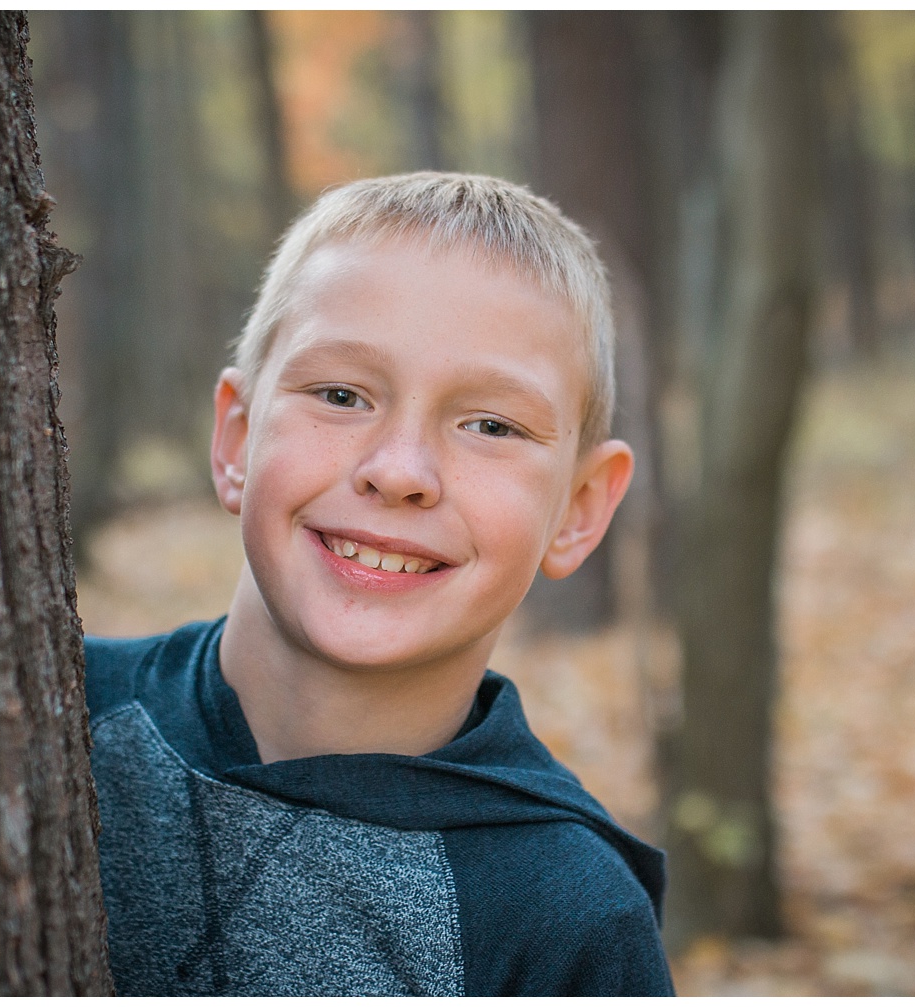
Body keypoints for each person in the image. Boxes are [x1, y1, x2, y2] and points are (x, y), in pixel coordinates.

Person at [83, 172, 674, 995]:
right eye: (341, 394)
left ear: (579, 508)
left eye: (491, 425)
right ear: (235, 440)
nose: (399, 472)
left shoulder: (568, 915)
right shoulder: (59, 711)